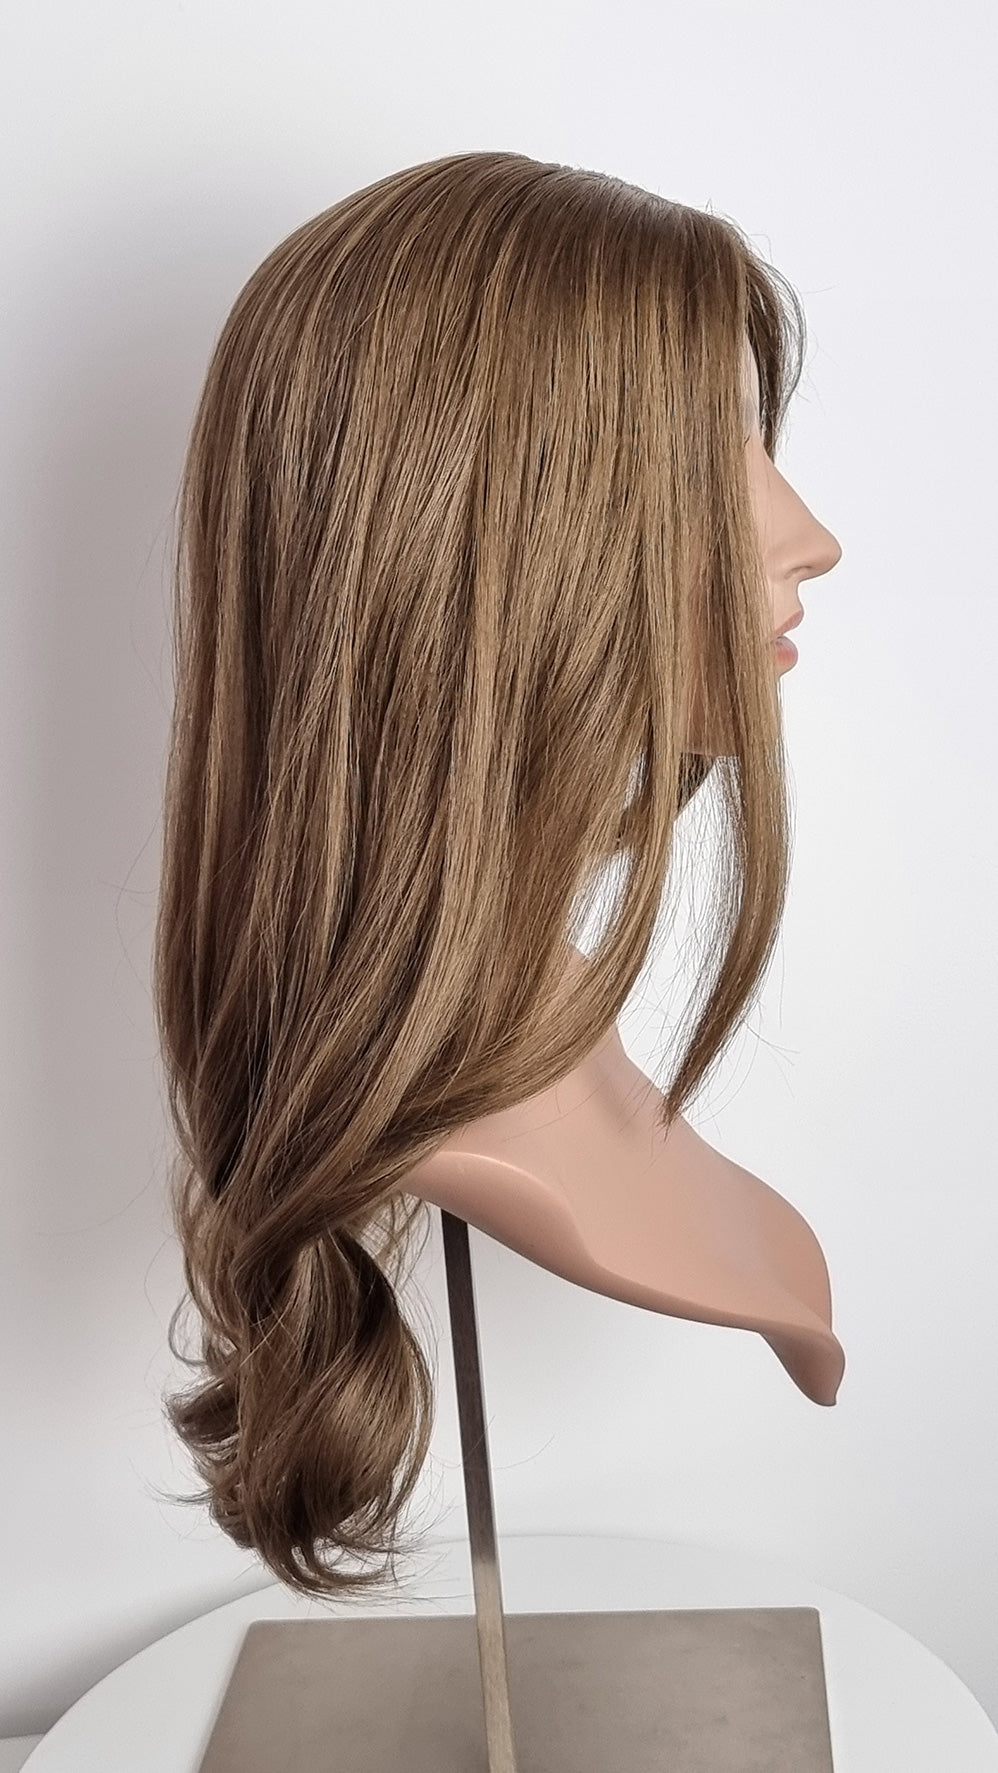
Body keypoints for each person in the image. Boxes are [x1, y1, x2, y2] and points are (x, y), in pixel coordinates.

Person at [153, 150, 842, 1601]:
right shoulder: (489, 1134)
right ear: (474, 539)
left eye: (754, 435)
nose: (807, 537)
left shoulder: (562, 1045)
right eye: (703, 451)